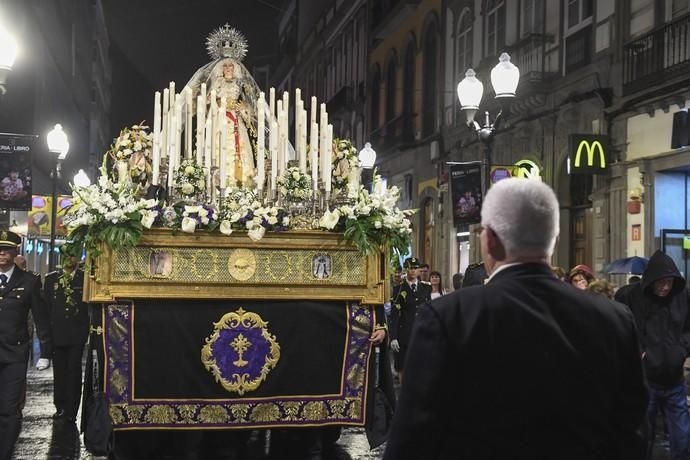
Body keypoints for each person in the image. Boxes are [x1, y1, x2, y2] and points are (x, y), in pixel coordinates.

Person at [384, 178, 647, 460]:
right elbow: (629, 436)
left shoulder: (449, 317)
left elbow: (413, 438)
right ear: (554, 240)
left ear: (491, 241)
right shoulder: (614, 319)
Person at [616, 250, 690, 460]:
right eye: (660, 283)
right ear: (651, 281)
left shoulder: (682, 296)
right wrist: (638, 351)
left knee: (682, 439)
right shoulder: (630, 296)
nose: (665, 287)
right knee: (642, 439)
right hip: (645, 380)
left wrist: (681, 349)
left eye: (669, 282)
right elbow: (621, 328)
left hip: (675, 379)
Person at [0, 230, 52, 460]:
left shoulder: (28, 281)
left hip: (14, 353)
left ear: (15, 252)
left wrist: (46, 353)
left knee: (9, 408)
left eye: (7, 250)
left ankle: (5, 451)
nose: (2, 254)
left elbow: (41, 318)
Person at [44, 252, 89, 423]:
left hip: (76, 334)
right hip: (57, 333)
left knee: (74, 371)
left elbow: (87, 309)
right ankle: (60, 406)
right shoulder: (51, 279)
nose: (70, 259)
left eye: (73, 256)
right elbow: (46, 307)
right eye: (67, 256)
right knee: (60, 371)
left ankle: (71, 409)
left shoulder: (84, 278)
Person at [388, 257, 431, 382]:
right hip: (405, 335)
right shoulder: (399, 289)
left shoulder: (425, 288)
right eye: (410, 268)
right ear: (406, 270)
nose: (413, 271)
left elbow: (429, 311)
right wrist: (394, 336)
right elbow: (394, 315)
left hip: (422, 333)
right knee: (403, 368)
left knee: (421, 367)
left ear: (419, 270)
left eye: (415, 268)